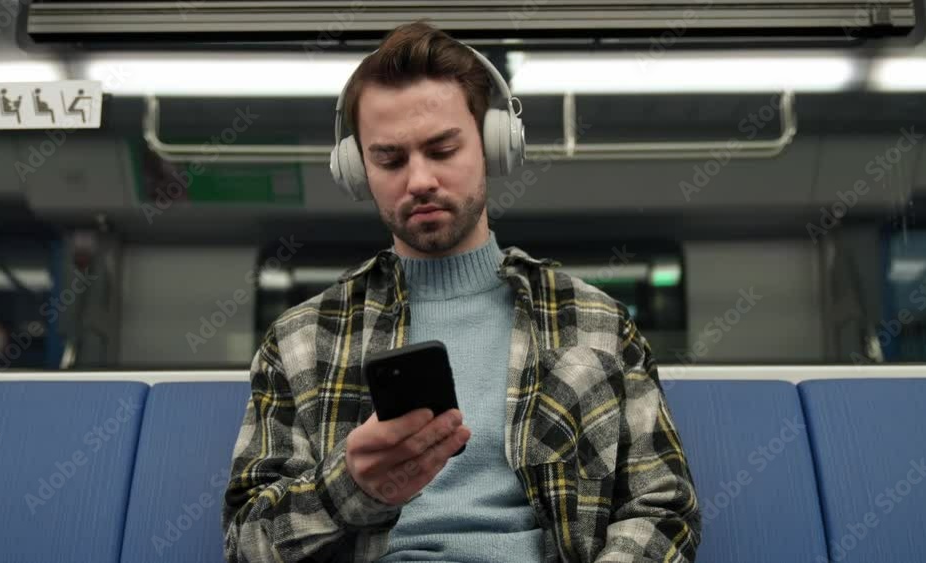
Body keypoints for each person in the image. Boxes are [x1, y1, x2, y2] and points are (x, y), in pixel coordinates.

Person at [222, 19, 701, 563]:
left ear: (494, 147)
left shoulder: (595, 322)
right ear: (358, 171)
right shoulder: (301, 340)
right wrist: (348, 486)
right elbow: (245, 546)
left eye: (442, 149)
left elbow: (662, 510)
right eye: (390, 159)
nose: (420, 179)